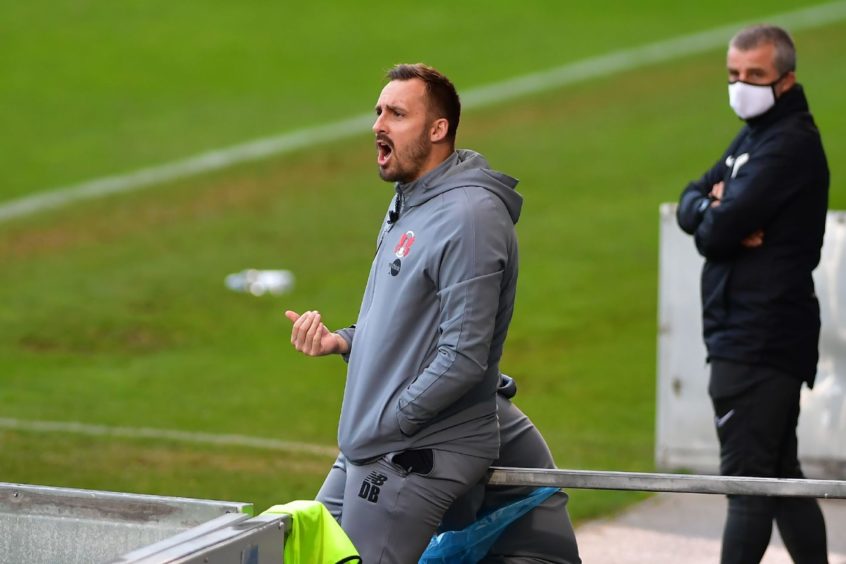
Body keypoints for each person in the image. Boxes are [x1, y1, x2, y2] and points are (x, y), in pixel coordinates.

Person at [286, 63, 523, 562]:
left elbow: (463, 356)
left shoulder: (470, 217)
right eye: (378, 111)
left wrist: (393, 420)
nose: (378, 124)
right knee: (303, 549)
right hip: (371, 441)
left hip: (412, 450)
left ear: (438, 130)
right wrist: (344, 341)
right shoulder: (410, 202)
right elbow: (404, 325)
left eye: (396, 113)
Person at [676, 25, 829, 564]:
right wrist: (710, 207)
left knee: (747, 486)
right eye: (733, 75)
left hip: (756, 339)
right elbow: (689, 201)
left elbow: (716, 232)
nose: (741, 86)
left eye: (755, 76)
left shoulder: (787, 145)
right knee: (780, 476)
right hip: (754, 335)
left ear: (785, 81)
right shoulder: (756, 135)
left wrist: (717, 215)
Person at [317, 374, 582, 563]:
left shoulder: (457, 415)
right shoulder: (393, 410)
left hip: (530, 556)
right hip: (476, 551)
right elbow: (328, 511)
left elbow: (447, 516)